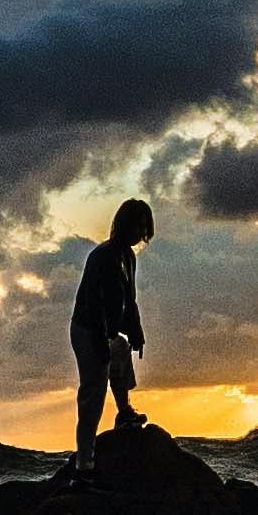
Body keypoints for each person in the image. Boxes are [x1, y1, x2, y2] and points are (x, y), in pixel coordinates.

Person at [69, 197, 154, 469]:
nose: (141, 232)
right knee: (92, 396)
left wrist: (136, 331)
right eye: (137, 225)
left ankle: (124, 413)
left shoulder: (128, 257)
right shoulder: (102, 256)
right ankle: (84, 466)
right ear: (123, 224)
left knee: (120, 353)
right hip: (87, 329)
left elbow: (130, 299)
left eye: (145, 226)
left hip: (107, 331)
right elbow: (93, 304)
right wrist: (100, 341)